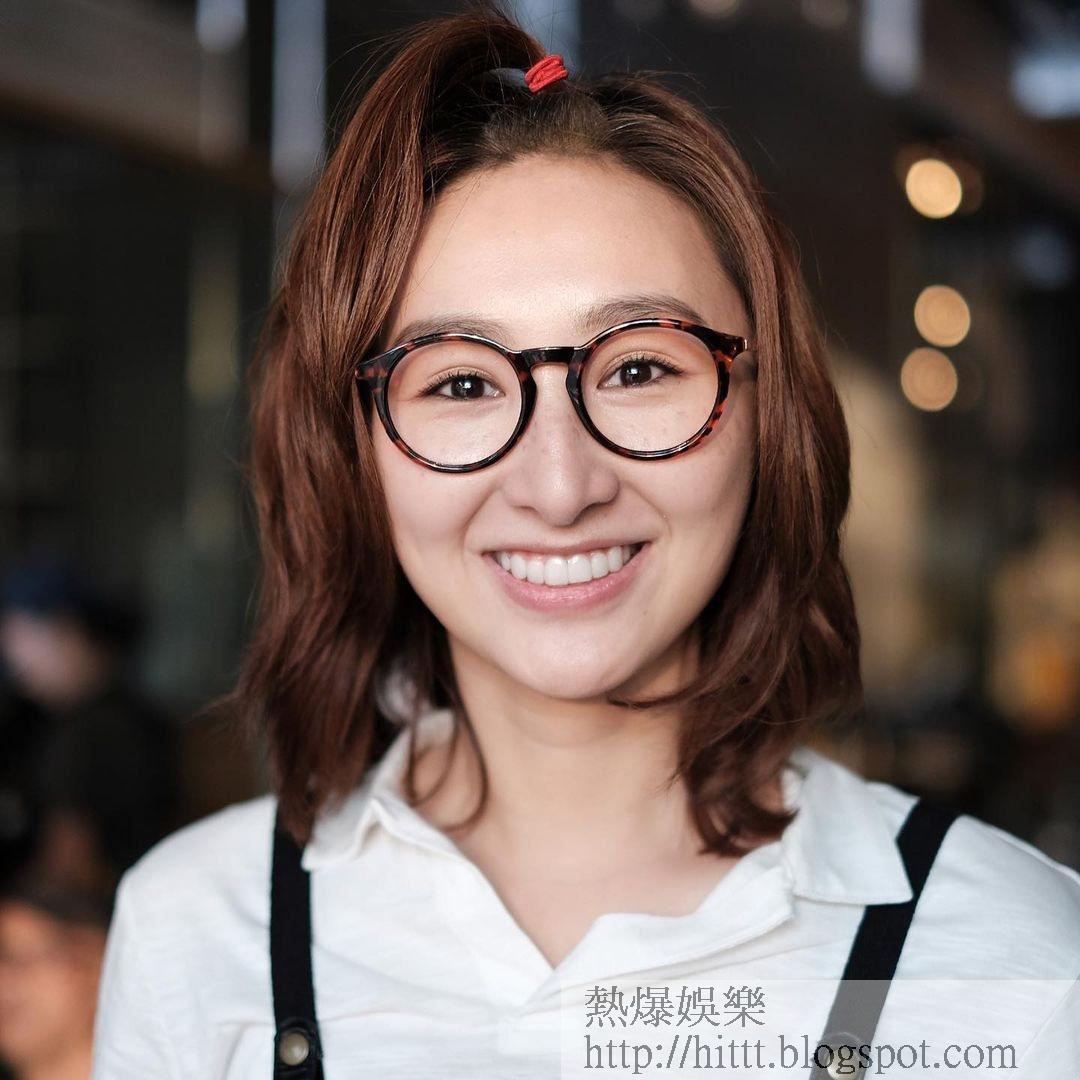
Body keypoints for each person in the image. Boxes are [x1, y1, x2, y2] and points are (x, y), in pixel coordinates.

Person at [90, 5, 1080, 1078]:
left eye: (641, 368)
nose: (561, 488)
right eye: (459, 384)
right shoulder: (202, 932)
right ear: (353, 452)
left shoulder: (1009, 959)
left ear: (770, 414)